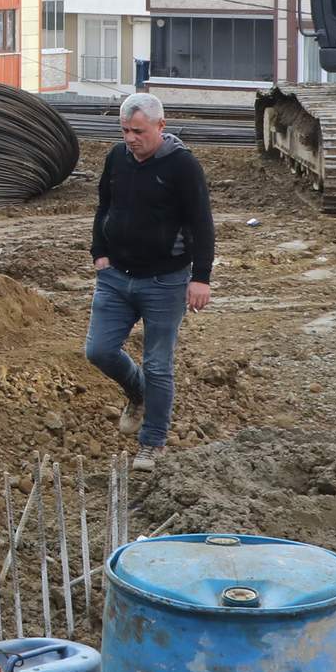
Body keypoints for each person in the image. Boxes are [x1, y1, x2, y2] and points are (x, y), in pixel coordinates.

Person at [87, 90, 214, 471]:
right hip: (115, 277)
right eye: (125, 130)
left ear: (161, 125)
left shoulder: (182, 166)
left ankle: (152, 442)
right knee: (99, 351)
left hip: (165, 281)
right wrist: (99, 253)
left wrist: (201, 278)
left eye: (138, 131)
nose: (130, 138)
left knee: (159, 365)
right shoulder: (116, 158)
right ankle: (138, 393)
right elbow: (104, 206)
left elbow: (201, 223)